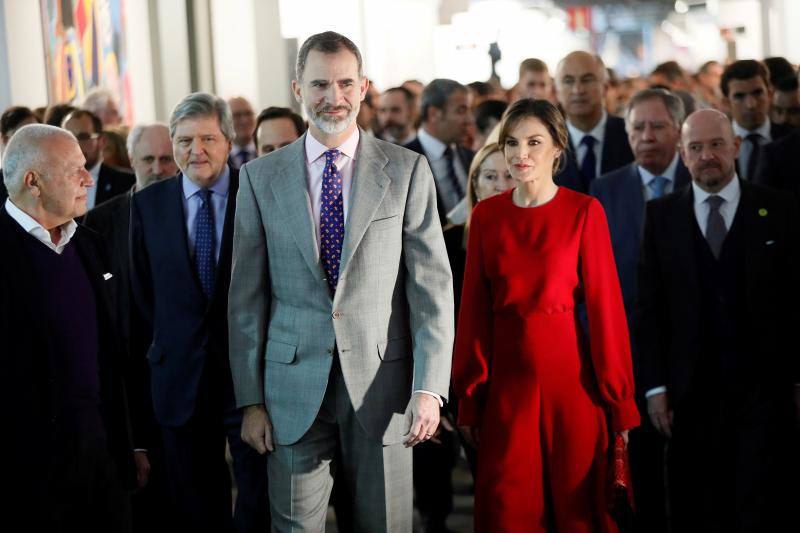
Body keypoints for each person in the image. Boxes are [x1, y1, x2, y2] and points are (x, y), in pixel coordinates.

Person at [228, 31, 454, 532]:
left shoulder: (407, 171)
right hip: (289, 391)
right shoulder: (259, 178)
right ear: (297, 89)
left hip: (384, 388)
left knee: (385, 525)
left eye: (346, 83)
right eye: (320, 84)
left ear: (364, 86)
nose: (334, 97)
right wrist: (250, 401)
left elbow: (431, 290)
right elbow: (246, 300)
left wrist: (429, 388)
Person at [453, 98, 639, 532]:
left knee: (578, 513)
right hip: (506, 391)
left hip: (574, 389)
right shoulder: (487, 216)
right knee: (509, 510)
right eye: (512, 143)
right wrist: (470, 397)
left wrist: (620, 403)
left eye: (535, 142)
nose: (521, 154)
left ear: (558, 147)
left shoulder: (584, 211)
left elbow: (606, 311)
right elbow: (474, 314)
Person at [636, 108, 800, 531]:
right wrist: (655, 388)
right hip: (687, 397)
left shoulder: (779, 209)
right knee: (696, 507)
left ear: (737, 147)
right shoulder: (660, 216)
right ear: (682, 155)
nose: (707, 155)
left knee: (762, 506)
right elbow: (649, 311)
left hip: (764, 392)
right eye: (695, 148)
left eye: (715, 145)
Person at [129, 93, 268, 532]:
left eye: (208, 138)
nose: (197, 151)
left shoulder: (260, 195)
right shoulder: (147, 206)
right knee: (194, 506)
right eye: (185, 140)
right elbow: (142, 300)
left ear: (229, 141)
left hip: (251, 382)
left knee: (258, 497)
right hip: (179, 383)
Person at [0, 124, 139, 531]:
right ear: (34, 182)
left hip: (102, 457)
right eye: (73, 170)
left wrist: (131, 443)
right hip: (27, 470)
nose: (88, 178)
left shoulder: (90, 243)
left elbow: (114, 355)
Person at [590, 88, 690, 532]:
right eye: (637, 128)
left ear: (678, 132)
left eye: (657, 126)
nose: (646, 136)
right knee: (643, 476)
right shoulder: (605, 189)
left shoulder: (700, 178)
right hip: (629, 354)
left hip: (690, 349)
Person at [84, 123, 178, 533]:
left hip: (184, 381)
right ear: (131, 162)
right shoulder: (101, 222)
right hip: (128, 379)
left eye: (165, 159)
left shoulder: (198, 214)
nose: (158, 168)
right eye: (148, 160)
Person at [554, 51, 634, 193]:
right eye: (568, 81)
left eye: (587, 80)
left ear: (605, 88)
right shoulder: (547, 144)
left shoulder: (631, 135)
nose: (577, 90)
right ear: (557, 91)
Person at [405, 78, 475, 224]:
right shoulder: (403, 160)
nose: (470, 120)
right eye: (461, 110)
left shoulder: (470, 157)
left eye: (469, 111)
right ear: (433, 114)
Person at [720, 59, 792, 180]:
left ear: (770, 94)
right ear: (726, 103)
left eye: (758, 93)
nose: (751, 104)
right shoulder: (715, 144)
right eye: (739, 96)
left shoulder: (791, 138)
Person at [62, 109, 134, 209]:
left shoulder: (126, 183)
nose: (74, 144)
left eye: (83, 137)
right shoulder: (53, 185)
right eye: (68, 138)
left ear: (102, 141)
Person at [0, 105, 39, 201]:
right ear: (6, 140)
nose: (32, 140)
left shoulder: (49, 177)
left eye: (36, 133)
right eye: (25, 134)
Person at [228, 96, 257, 167]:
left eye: (248, 113)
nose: (244, 120)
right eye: (237, 115)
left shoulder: (267, 153)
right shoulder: (219, 159)